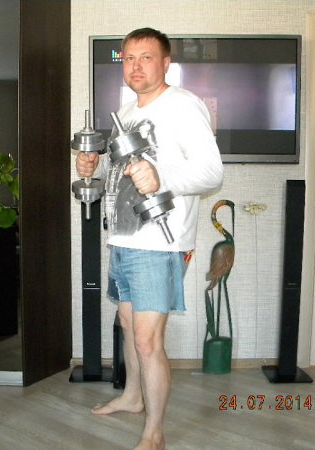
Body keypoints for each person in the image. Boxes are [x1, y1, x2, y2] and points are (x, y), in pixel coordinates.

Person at [76, 27, 223, 450]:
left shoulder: (184, 105)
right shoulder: (127, 110)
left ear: (166, 64)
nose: (135, 66)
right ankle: (133, 397)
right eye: (129, 58)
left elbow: (212, 173)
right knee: (127, 324)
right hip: (124, 238)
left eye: (146, 57)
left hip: (161, 243)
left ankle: (154, 433)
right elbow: (124, 174)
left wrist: (162, 176)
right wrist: (94, 168)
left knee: (147, 339)